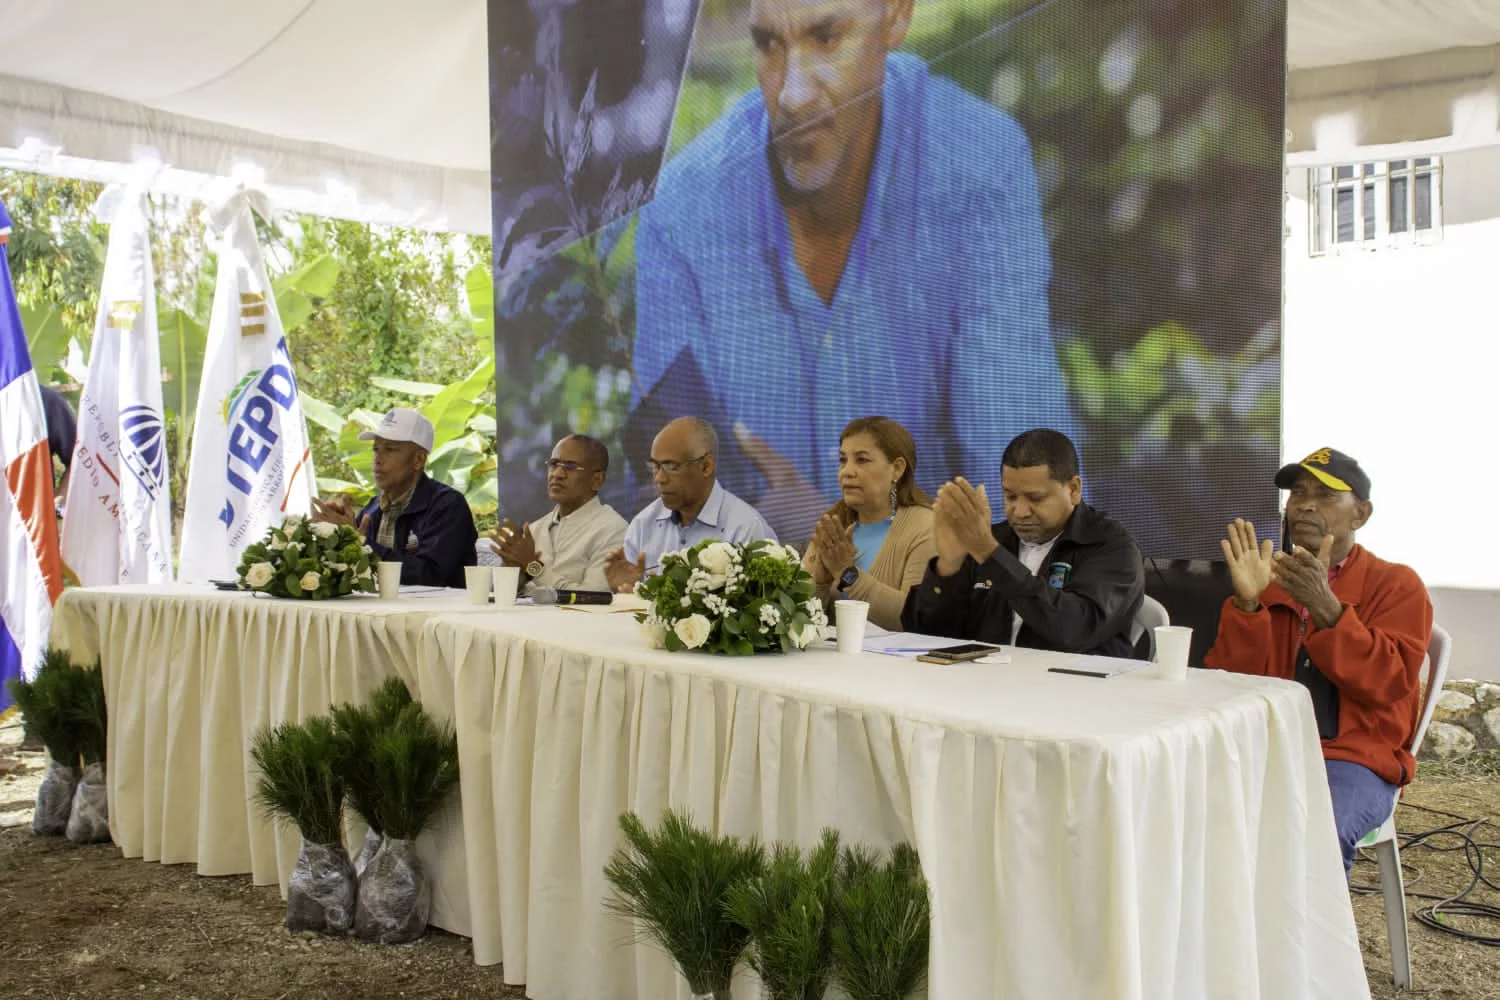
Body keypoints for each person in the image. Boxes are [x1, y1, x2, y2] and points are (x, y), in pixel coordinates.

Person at [631, 0, 1077, 539]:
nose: (791, 94)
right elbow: (665, 498)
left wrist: (836, 539)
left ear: (896, 18)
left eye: (826, 38)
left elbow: (1029, 510)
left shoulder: (978, 165)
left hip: (944, 615)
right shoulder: (684, 207)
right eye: (769, 44)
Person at [1206, 448, 1432, 876]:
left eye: (1327, 495)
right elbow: (1229, 687)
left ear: (1360, 514)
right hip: (1266, 749)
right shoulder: (1269, 578)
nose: (1306, 504)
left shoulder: (1397, 585)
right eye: (1297, 493)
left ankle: (1308, 943)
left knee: (1315, 830)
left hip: (1353, 759)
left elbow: (1389, 684)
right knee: (1177, 808)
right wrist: (1248, 605)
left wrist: (1328, 611)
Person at [902, 429, 1142, 657]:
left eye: (1035, 498)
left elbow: (1073, 631)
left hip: (1075, 690)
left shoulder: (1109, 544)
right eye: (1010, 496)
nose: (1020, 511)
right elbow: (927, 635)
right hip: (986, 685)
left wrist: (990, 553)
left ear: (1074, 489)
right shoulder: (993, 539)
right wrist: (948, 568)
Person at [310, 407, 477, 588]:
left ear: (419, 460)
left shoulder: (447, 506)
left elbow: (429, 576)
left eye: (389, 450)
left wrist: (361, 544)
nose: (377, 459)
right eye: (375, 449)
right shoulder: (372, 509)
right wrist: (334, 536)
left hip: (437, 614)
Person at [605, 416, 776, 593]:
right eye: (655, 466)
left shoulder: (746, 529)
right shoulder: (643, 524)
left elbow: (765, 611)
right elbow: (629, 607)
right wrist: (626, 593)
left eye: (671, 466)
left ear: (706, 466)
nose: (659, 479)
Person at [803, 416, 934, 631]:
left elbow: (914, 619)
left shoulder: (925, 527)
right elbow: (795, 623)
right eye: (843, 460)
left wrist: (848, 574)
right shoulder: (834, 523)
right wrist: (819, 583)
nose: (847, 471)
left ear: (897, 469)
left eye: (862, 460)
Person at [486, 434, 627, 593]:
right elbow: (497, 597)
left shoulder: (613, 530)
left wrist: (533, 568)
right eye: (553, 464)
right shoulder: (534, 530)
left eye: (570, 467)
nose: (557, 474)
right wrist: (512, 569)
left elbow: (593, 599)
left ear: (597, 480)